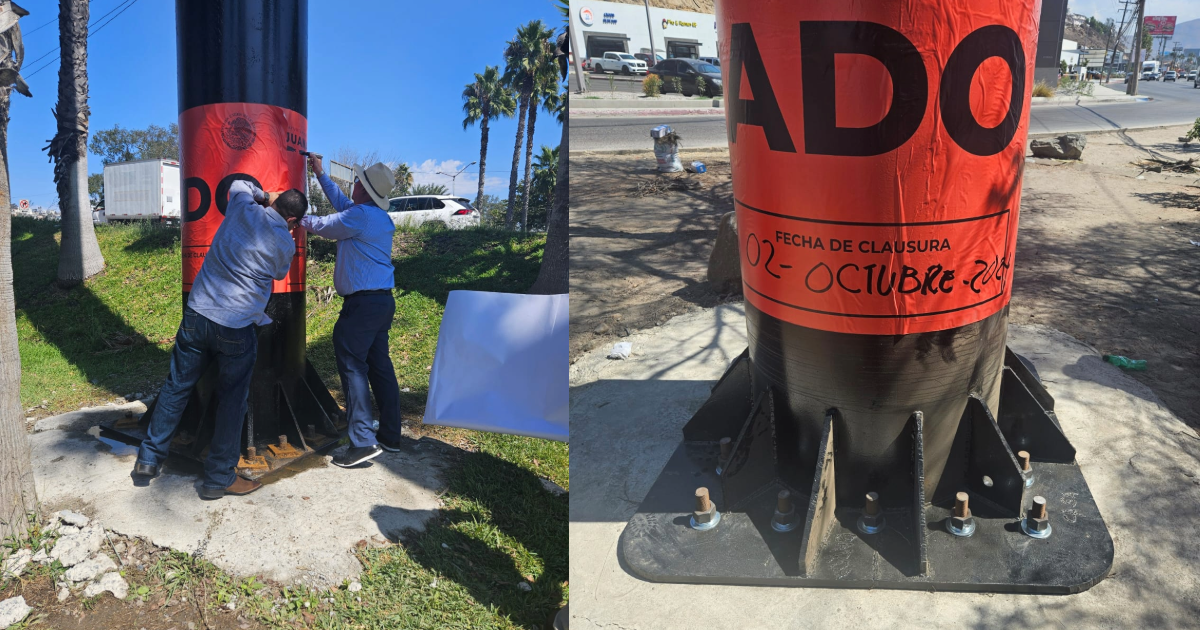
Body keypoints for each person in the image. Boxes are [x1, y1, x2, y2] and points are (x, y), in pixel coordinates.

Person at [133, 180, 308, 500]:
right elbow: (281, 273)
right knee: (232, 402)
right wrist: (287, 230)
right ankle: (218, 478)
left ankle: (148, 459)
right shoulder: (285, 241)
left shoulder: (243, 205)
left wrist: (264, 195)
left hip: (197, 315)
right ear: (294, 221)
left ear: (275, 202)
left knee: (175, 388)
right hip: (237, 327)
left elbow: (239, 183)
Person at [303, 152, 404, 468]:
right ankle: (389, 435)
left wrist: (288, 213)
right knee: (379, 367)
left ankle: (362, 442)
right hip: (381, 303)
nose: (354, 184)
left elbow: (321, 225)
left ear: (364, 188)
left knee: (352, 365)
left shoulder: (358, 217)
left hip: (361, 306)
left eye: (357, 181)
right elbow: (340, 202)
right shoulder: (376, 217)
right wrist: (319, 173)